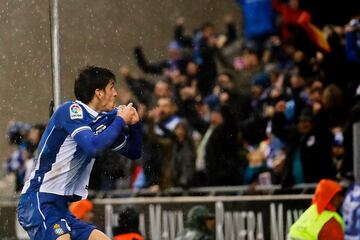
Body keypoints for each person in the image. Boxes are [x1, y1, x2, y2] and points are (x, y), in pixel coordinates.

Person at [16, 66, 142, 240]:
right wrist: (120, 120)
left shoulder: (102, 122)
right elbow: (93, 146)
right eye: (111, 87)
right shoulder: (71, 111)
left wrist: (135, 125)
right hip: (38, 200)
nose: (115, 93)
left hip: (61, 207)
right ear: (98, 92)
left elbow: (134, 152)